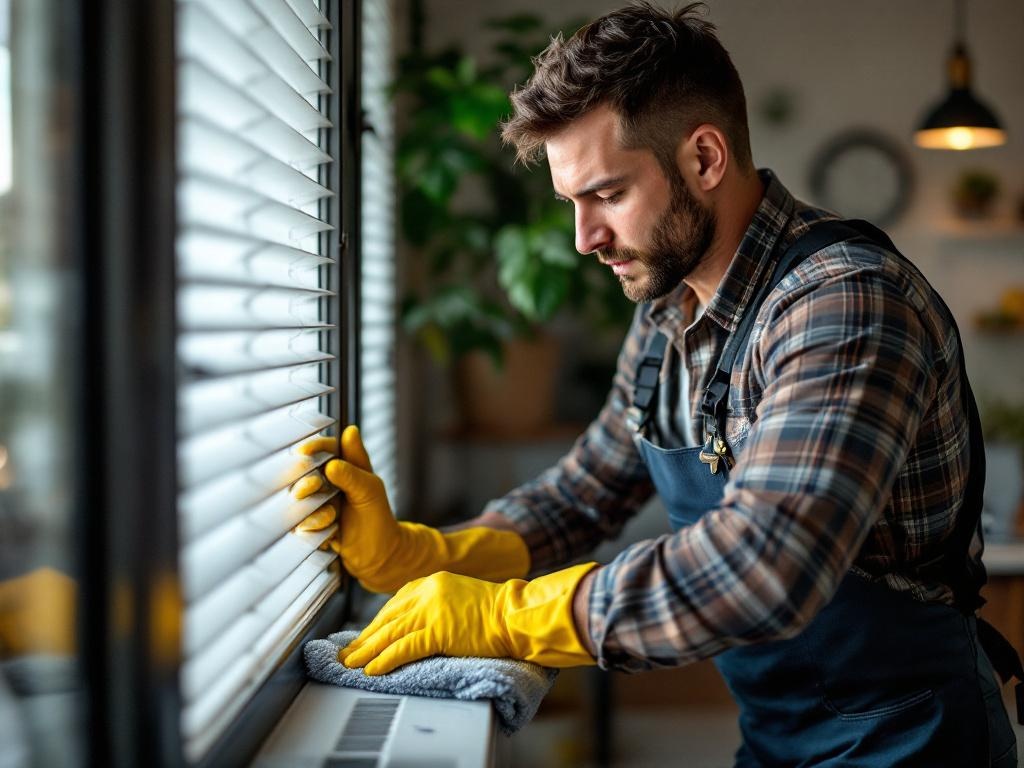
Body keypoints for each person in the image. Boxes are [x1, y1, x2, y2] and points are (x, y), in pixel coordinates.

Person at [296, 3, 1021, 765]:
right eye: (571, 205)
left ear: (704, 159)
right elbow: (582, 497)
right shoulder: (668, 313)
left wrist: (508, 617)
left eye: (607, 195)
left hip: (913, 741)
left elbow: (763, 567)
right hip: (777, 739)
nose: (584, 241)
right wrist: (425, 557)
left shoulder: (843, 303)